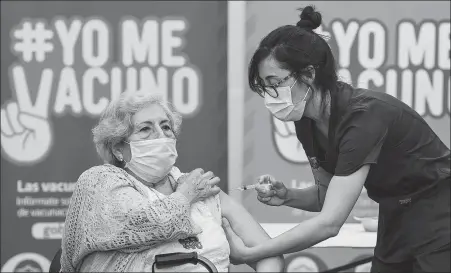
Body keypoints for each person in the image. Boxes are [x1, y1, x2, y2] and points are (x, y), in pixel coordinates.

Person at [222, 5, 450, 273]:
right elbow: (325, 196)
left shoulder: (364, 118)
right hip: (396, 216)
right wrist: (288, 196)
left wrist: (254, 253)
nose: (270, 94)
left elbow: (330, 223)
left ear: (308, 74)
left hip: (440, 214)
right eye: (264, 86)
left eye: (275, 82)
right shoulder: (306, 121)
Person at [60, 91, 284, 272]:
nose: (161, 135)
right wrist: (186, 195)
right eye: (145, 129)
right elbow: (144, 224)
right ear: (119, 148)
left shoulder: (200, 187)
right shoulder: (99, 181)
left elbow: (269, 254)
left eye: (166, 127)